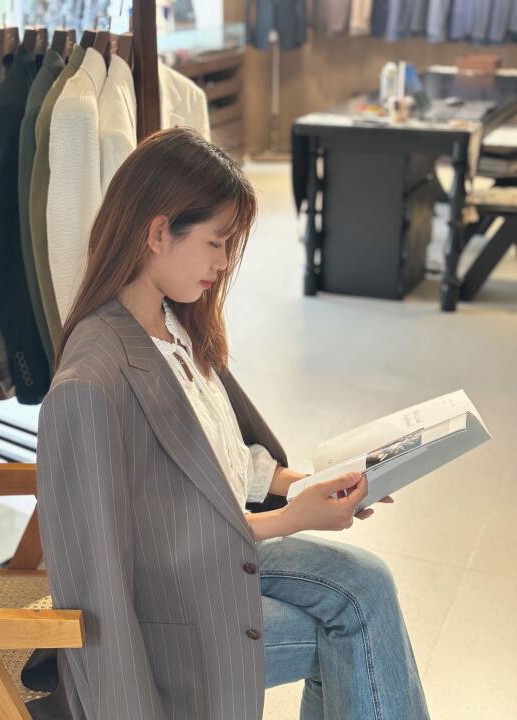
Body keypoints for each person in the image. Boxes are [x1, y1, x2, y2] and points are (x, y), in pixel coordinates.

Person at [32, 127, 430, 720]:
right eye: (216, 243)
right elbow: (105, 578)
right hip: (168, 616)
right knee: (352, 631)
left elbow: (215, 458)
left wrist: (307, 485)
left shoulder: (174, 324)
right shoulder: (90, 384)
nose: (223, 264)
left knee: (368, 582)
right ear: (157, 233)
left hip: (213, 563)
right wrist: (293, 518)